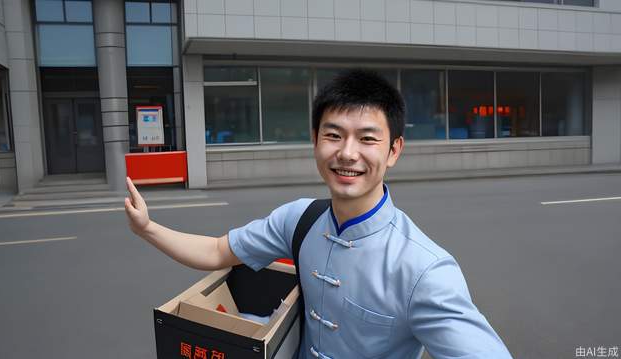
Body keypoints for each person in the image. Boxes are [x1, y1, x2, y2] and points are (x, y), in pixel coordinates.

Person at [125, 69, 513, 359]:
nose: (347, 153)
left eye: (367, 138)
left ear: (394, 150)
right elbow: (215, 251)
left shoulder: (423, 269)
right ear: (315, 141)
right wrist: (147, 228)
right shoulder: (300, 219)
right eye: (333, 135)